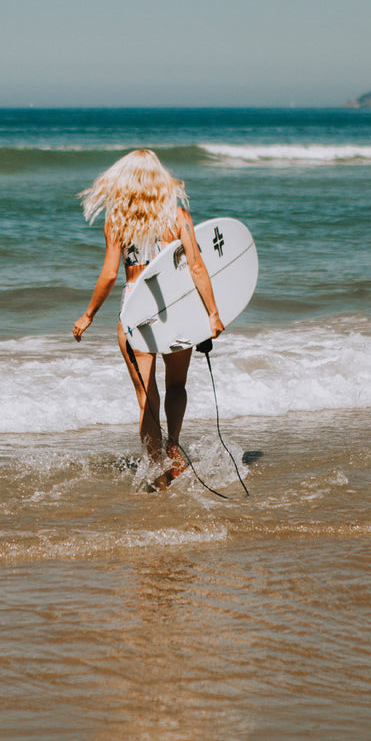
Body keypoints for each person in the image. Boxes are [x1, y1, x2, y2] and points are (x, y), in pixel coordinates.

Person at [73, 149, 225, 489]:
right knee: (176, 385)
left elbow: (111, 274)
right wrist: (213, 314)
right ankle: (173, 449)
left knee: (147, 397)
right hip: (178, 308)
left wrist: (88, 315)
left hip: (135, 309)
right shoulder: (179, 216)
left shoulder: (117, 220)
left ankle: (157, 469)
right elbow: (198, 267)